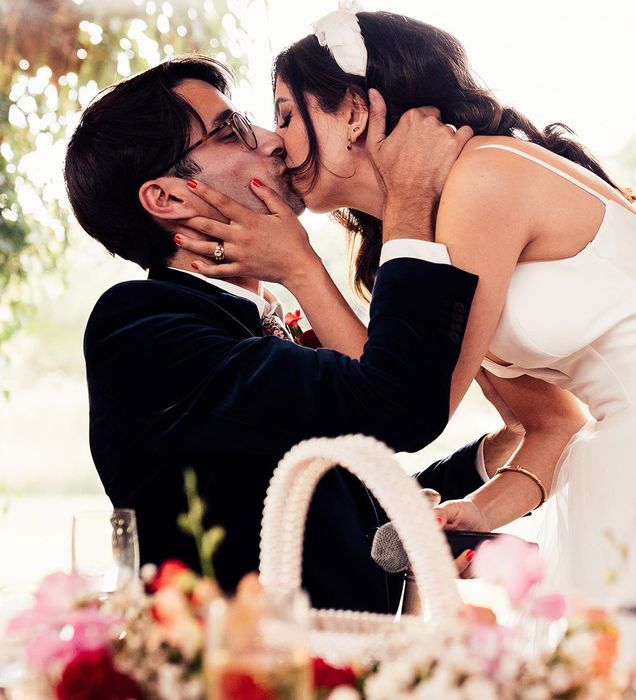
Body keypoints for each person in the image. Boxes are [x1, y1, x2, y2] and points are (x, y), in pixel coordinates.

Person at [176, 8, 636, 666]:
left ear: (352, 111)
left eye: (286, 113)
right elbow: (550, 423)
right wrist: (478, 511)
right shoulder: (427, 234)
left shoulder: (483, 181)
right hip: (631, 450)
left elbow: (409, 400)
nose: (277, 142)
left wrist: (299, 270)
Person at [63, 55, 524, 613]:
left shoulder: (258, 317)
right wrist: (405, 200)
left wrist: (488, 459)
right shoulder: (140, 328)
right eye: (231, 131)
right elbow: (394, 407)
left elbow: (341, 492)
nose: (271, 139)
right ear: (169, 198)